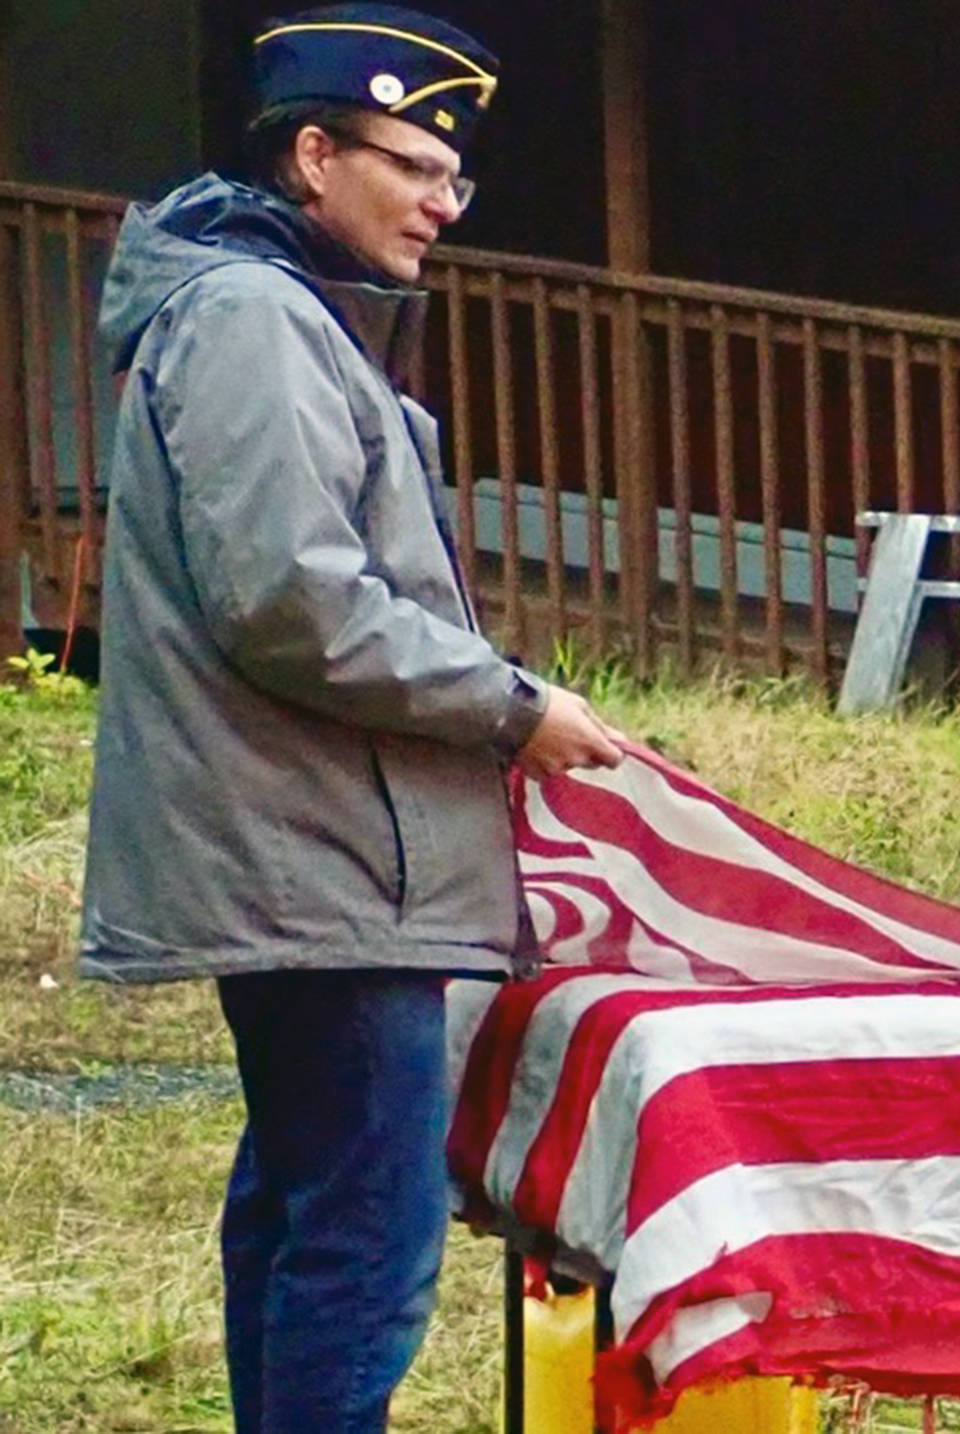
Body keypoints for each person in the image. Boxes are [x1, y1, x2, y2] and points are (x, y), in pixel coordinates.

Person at [79, 7, 626, 1429]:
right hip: (322, 863)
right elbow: (294, 601)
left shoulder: (274, 310)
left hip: (319, 855)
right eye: (414, 168)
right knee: (365, 1243)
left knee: (301, 1206)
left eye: (456, 178)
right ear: (315, 156)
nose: (443, 205)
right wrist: (514, 708)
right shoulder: (254, 318)